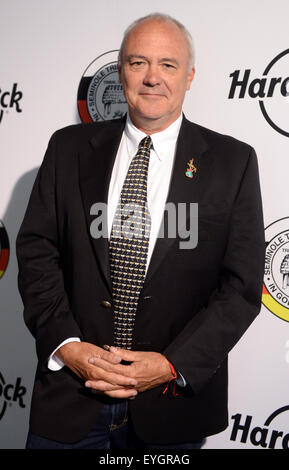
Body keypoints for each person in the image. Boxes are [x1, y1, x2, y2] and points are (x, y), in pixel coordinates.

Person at [16, 13, 265, 449]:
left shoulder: (233, 162)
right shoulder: (67, 149)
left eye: (168, 65)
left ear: (189, 77)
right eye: (138, 63)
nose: (153, 78)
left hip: (172, 405)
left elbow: (242, 287)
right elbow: (38, 251)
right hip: (71, 400)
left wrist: (171, 365)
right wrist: (67, 346)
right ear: (120, 73)